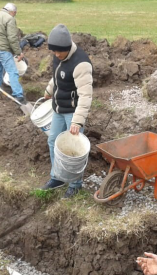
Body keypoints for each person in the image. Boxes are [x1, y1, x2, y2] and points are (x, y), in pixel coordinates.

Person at [40, 24, 93, 198]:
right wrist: (49, 90)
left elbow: (85, 96)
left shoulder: (81, 64)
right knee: (53, 141)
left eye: (58, 52)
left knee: (75, 150)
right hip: (58, 108)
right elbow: (56, 75)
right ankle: (58, 177)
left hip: (73, 111)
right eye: (53, 52)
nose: (56, 55)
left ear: (67, 48)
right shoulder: (59, 56)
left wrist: (77, 121)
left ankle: (76, 184)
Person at [0, 2, 26, 104]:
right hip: (2, 50)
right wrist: (18, 53)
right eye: (15, 13)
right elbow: (12, 38)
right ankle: (19, 96)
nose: (14, 15)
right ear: (13, 12)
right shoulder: (10, 19)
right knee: (13, 72)